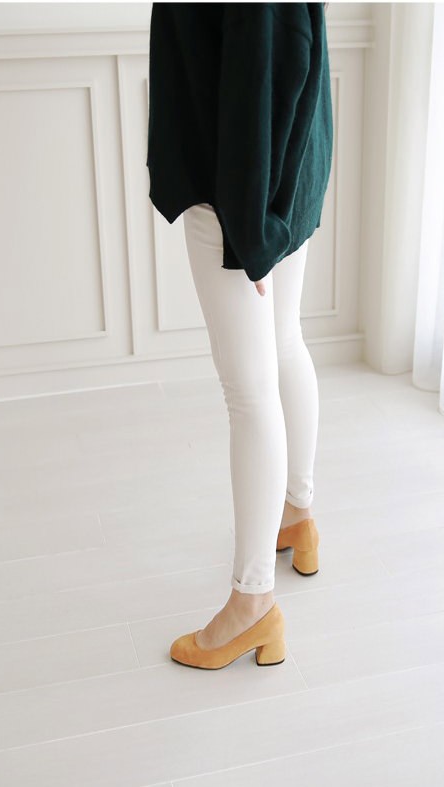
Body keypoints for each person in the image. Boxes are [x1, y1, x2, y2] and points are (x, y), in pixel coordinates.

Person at [146, 2, 333, 670]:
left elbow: (263, 60)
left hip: (237, 191)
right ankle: (296, 516)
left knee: (249, 391)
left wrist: (251, 235)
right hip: (283, 170)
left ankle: (253, 603)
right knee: (283, 345)